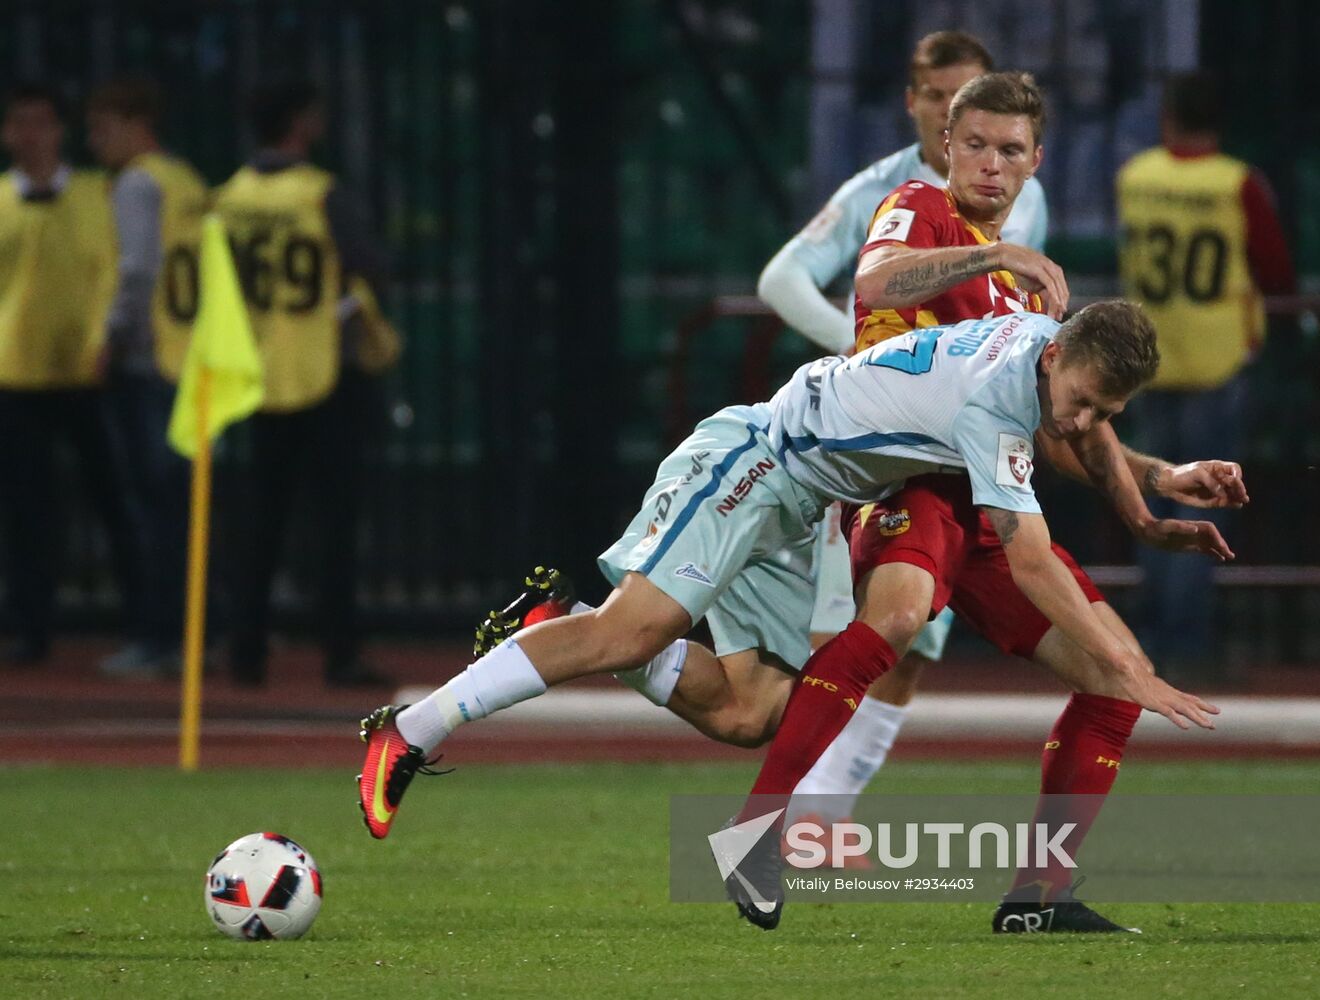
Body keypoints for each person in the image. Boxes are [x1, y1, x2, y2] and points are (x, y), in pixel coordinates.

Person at [356, 305, 1243, 910]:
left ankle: (562, 629)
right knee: (636, 627)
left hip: (800, 504)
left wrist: (1157, 489)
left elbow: (1078, 428)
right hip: (755, 464)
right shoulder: (995, 406)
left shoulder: (1048, 341)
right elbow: (1032, 561)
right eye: (1084, 401)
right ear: (1056, 359)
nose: (1087, 421)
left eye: (1106, 410)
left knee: (752, 713)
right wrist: (1129, 667)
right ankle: (412, 727)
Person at [756, 34, 1050, 840]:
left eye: (1006, 141)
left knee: (910, 635)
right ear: (923, 107)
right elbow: (792, 279)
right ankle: (795, 818)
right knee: (844, 625)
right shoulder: (893, 191)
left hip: (961, 452)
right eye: (936, 97)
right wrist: (870, 356)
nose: (985, 149)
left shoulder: (1020, 196)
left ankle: (820, 813)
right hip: (871, 443)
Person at [215, 80, 392, 688]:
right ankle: (340, 652)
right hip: (323, 368)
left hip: (258, 371)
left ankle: (244, 651)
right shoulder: (321, 194)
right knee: (335, 522)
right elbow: (368, 261)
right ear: (301, 121)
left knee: (260, 520)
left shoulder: (229, 196)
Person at [1117, 70, 1294, 674]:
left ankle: (1149, 642)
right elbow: (1274, 271)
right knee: (1202, 503)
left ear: (1167, 116)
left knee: (1149, 498)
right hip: (1218, 360)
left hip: (1146, 360)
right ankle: (1186, 647)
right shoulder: (1236, 182)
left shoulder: (1136, 178)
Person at [0, 83, 144, 666]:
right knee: (26, 510)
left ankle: (145, 623)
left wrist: (101, 338)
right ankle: (31, 629)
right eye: (20, 123)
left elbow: (113, 269)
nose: (32, 135)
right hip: (14, 373)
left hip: (88, 372)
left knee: (116, 499)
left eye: (42, 122)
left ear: (59, 131)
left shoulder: (94, 194)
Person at [86, 76, 210, 679]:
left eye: (103, 128)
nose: (98, 143)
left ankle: (159, 635)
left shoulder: (137, 182)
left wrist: (110, 335)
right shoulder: (185, 179)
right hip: (193, 360)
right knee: (187, 505)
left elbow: (136, 270)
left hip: (151, 358)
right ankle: (197, 629)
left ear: (136, 123)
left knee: (155, 507)